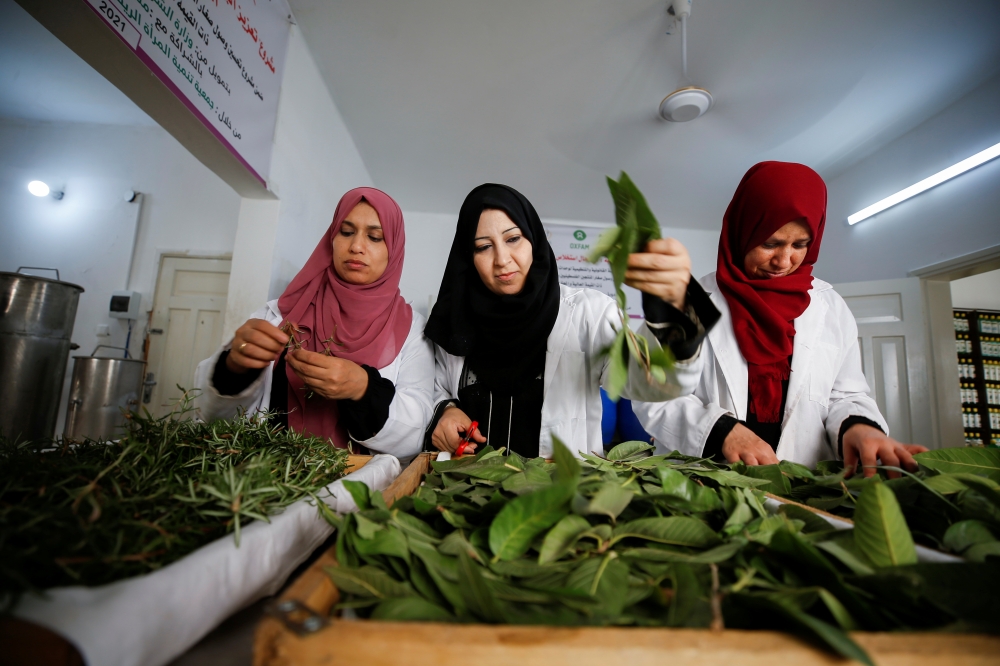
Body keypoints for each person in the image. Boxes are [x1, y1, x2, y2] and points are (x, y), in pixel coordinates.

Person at [631, 162, 927, 475]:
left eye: (800, 245)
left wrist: (858, 427)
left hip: (804, 483)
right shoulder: (688, 303)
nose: (784, 261)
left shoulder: (828, 306)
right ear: (742, 232)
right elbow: (652, 394)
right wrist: (720, 431)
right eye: (770, 243)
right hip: (706, 478)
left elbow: (845, 394)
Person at [423, 183, 720, 458]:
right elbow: (435, 385)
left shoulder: (588, 314)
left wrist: (675, 311)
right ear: (467, 256)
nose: (502, 259)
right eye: (483, 246)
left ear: (534, 240)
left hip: (558, 501)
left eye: (513, 238)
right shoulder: (453, 318)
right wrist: (444, 410)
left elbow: (647, 383)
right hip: (466, 498)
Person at [194, 187, 433, 459]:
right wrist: (235, 367)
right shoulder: (281, 313)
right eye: (346, 232)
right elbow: (212, 415)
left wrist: (362, 388)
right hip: (268, 474)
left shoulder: (412, 331)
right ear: (331, 239)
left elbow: (415, 434)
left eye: (375, 237)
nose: (356, 246)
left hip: (358, 488)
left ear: (394, 249)